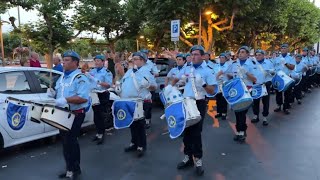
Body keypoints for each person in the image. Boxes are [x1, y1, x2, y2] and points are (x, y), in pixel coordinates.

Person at [173, 45, 217, 176]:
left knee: (196, 133)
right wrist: (172, 85)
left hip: (199, 102)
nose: (193, 56)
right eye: (192, 54)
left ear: (203, 56)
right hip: (186, 102)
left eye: (196, 54)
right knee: (186, 131)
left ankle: (198, 160)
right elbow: (177, 78)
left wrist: (203, 83)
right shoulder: (187, 67)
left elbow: (213, 91)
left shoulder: (208, 70)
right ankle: (188, 157)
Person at [47, 50, 90, 179]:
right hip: (63, 113)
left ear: (75, 62)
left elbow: (83, 98)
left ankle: (75, 169)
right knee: (65, 142)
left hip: (75, 113)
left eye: (67, 60)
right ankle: (69, 168)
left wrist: (66, 100)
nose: (63, 62)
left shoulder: (80, 77)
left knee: (71, 141)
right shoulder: (62, 77)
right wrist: (52, 93)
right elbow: (60, 93)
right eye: (63, 60)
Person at [120, 51, 157, 157]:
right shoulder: (129, 71)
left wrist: (148, 85)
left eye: (136, 59)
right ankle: (134, 143)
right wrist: (118, 88)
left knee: (140, 125)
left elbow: (154, 87)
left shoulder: (147, 72)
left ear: (143, 60)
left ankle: (141, 145)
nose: (134, 61)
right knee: (131, 124)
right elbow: (123, 82)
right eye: (133, 59)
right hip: (129, 102)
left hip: (140, 102)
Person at [225, 46, 258, 143]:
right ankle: (239, 130)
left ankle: (242, 131)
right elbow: (228, 74)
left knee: (242, 112)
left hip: (247, 90)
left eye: (243, 52)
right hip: (237, 90)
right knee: (237, 111)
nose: (240, 53)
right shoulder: (234, 64)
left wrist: (246, 73)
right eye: (239, 52)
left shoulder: (252, 64)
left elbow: (254, 79)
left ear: (247, 54)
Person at [87, 55, 113, 145]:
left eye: (98, 61)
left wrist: (98, 81)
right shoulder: (92, 71)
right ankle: (98, 133)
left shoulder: (106, 72)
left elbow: (108, 85)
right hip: (94, 94)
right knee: (96, 115)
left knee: (101, 115)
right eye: (95, 61)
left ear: (103, 62)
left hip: (102, 94)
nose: (96, 62)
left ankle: (102, 134)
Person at [251, 49, 275, 126]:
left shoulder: (268, 62)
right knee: (255, 101)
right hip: (256, 85)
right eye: (256, 55)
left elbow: (273, 73)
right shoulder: (252, 63)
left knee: (266, 101)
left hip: (265, 84)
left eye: (259, 55)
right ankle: (256, 115)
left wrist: (271, 72)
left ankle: (265, 117)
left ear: (263, 55)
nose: (257, 56)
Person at [273, 44, 295, 114]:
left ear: (288, 49)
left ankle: (286, 107)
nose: (283, 49)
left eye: (285, 48)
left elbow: (292, 67)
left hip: (287, 77)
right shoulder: (276, 58)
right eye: (282, 48)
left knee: (287, 93)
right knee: (278, 93)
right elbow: (274, 67)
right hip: (278, 78)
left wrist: (285, 63)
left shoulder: (291, 58)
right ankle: (279, 105)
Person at [140, 49, 159, 129]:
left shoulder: (151, 64)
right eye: (143, 53)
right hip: (140, 87)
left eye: (146, 54)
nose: (145, 55)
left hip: (150, 86)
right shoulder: (138, 64)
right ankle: (141, 119)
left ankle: (147, 120)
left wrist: (151, 74)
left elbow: (157, 73)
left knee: (147, 105)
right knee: (140, 105)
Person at [215, 53, 230, 120]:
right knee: (218, 99)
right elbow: (214, 72)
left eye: (223, 58)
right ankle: (219, 112)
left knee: (223, 99)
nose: (221, 59)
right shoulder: (216, 66)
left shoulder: (227, 65)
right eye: (220, 57)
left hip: (224, 84)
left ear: (225, 59)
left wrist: (217, 75)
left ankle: (224, 113)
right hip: (218, 84)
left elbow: (221, 72)